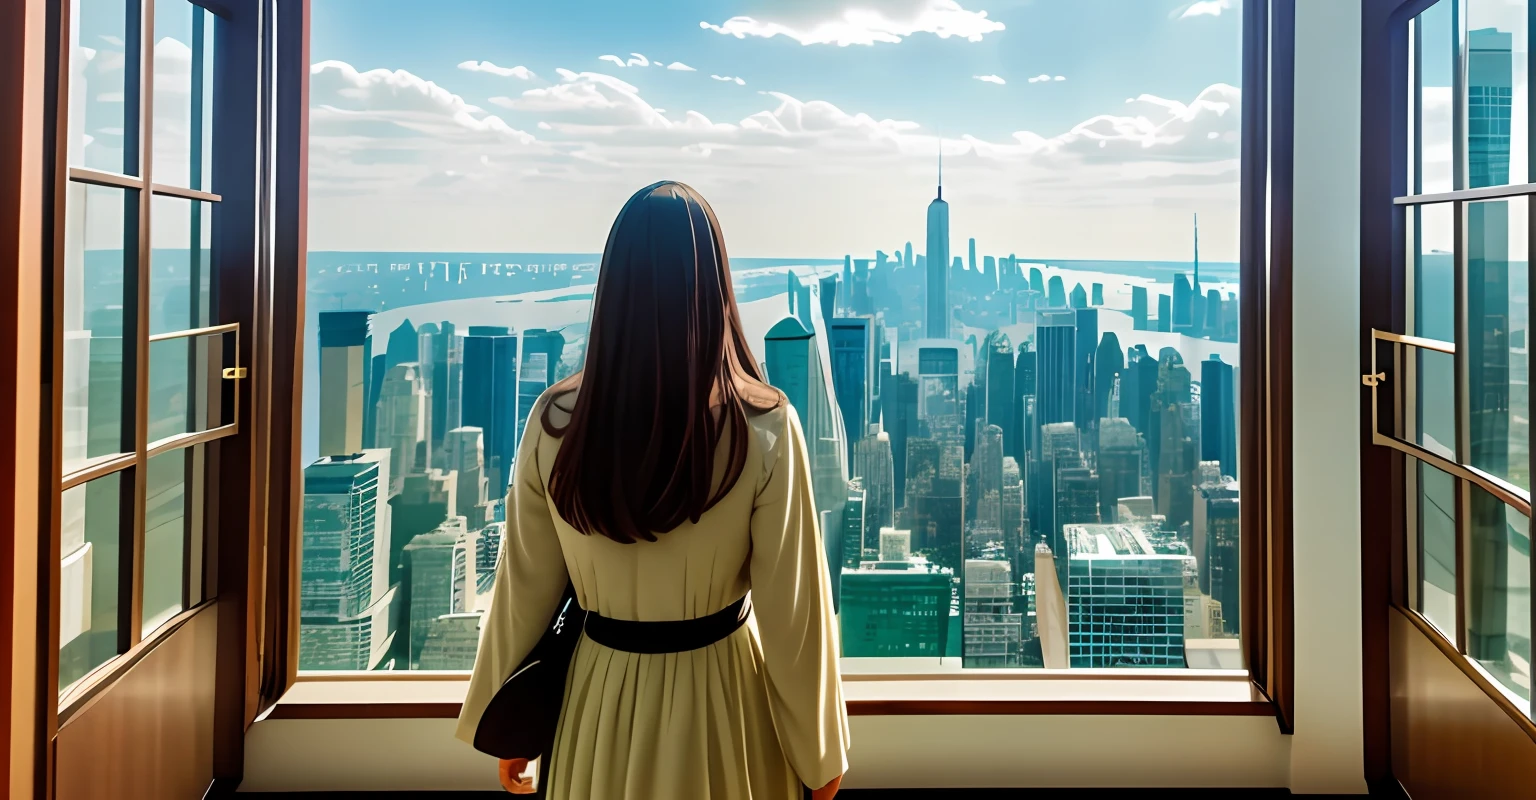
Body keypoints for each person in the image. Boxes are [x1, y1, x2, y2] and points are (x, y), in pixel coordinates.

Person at [456, 181, 850, 800]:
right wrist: (820, 754)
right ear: (715, 285)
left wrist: (504, 724)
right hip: (724, 702)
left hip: (594, 705)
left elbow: (523, 586)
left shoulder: (555, 420)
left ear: (613, 288)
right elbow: (793, 615)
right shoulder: (764, 426)